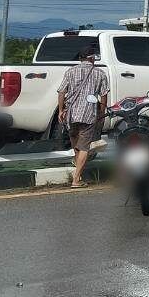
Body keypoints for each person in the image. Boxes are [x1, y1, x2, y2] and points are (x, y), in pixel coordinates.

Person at [55, 40, 110, 187]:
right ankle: (76, 179)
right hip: (88, 114)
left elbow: (61, 92)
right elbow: (104, 95)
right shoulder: (100, 73)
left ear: (80, 58)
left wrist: (61, 110)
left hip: (71, 114)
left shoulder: (70, 72)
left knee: (77, 146)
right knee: (84, 147)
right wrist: (101, 113)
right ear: (92, 58)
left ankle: (78, 177)